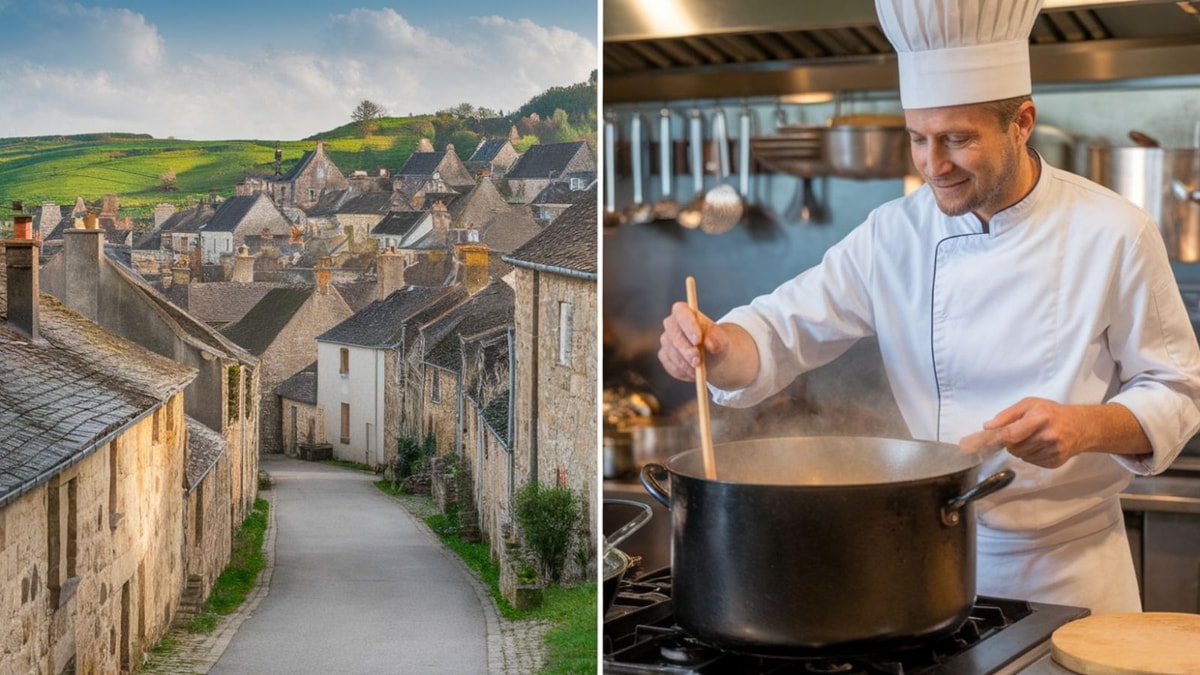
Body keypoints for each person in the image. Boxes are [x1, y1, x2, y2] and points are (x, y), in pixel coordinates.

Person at [657, 0, 1200, 616]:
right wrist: (718, 344)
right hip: (928, 567)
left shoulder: (1115, 231)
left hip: (1071, 574)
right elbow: (779, 331)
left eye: (957, 139)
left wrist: (1084, 427)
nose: (932, 165)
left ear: (1022, 122)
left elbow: (1178, 391)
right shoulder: (893, 234)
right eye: (917, 138)